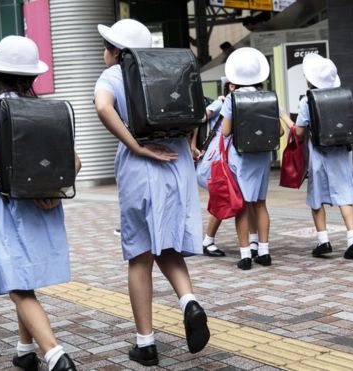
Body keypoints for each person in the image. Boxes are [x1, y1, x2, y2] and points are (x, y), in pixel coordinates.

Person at [94, 19, 210, 366]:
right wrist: (188, 143)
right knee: (169, 245)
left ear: (117, 51)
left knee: (140, 255)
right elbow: (199, 111)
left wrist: (137, 146)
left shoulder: (115, 74)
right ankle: (189, 301)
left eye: (107, 46)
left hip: (141, 169)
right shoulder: (169, 73)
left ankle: (146, 344)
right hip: (177, 166)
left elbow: (103, 107)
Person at [0, 35, 81, 371]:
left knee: (16, 284)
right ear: (32, 77)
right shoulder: (47, 109)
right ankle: (24, 349)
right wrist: (55, 190)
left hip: (7, 207)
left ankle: (55, 354)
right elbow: (74, 162)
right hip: (44, 206)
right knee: (24, 276)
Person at [280, 54, 353, 259]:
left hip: (319, 154)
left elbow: (299, 132)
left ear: (311, 80)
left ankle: (323, 241)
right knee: (345, 196)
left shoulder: (307, 101)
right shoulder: (342, 95)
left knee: (316, 197)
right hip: (341, 153)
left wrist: (283, 116)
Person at [220, 47, 284, 270]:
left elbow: (226, 131)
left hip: (240, 157)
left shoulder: (232, 98)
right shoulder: (269, 97)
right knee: (260, 204)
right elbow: (280, 132)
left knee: (242, 206)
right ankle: (264, 251)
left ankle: (245, 255)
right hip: (262, 157)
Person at [193, 79, 261, 258]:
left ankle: (252, 240)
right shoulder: (223, 101)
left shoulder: (247, 102)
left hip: (234, 157)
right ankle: (208, 240)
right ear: (231, 86)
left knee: (245, 199)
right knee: (227, 197)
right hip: (217, 158)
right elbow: (198, 119)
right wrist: (192, 146)